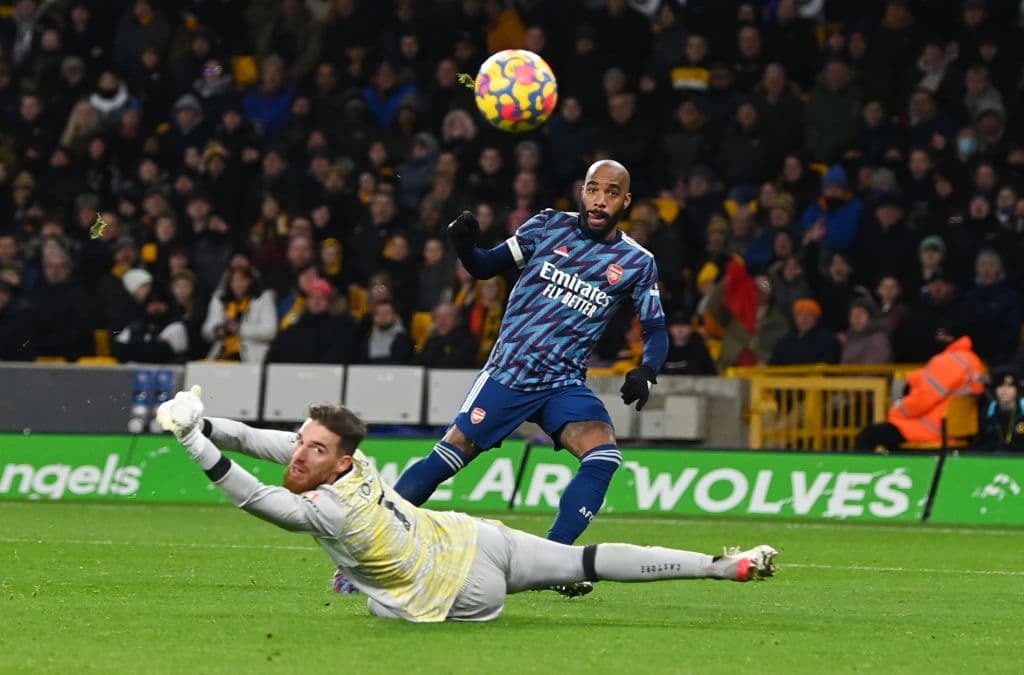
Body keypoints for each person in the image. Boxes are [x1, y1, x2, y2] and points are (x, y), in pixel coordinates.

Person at [154, 386, 777, 623]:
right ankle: (719, 566)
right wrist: (203, 420)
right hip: (472, 538)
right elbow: (258, 443)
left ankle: (721, 566)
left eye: (312, 451)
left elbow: (254, 494)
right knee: (583, 561)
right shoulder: (351, 461)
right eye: (303, 444)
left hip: (456, 590)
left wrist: (190, 441)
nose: (299, 455)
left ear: (339, 461)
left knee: (377, 605)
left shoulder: (330, 509)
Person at [393, 160, 668, 597]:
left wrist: (647, 370)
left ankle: (552, 560)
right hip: (511, 372)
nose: (600, 200)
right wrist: (465, 246)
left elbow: (655, 329)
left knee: (604, 456)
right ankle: (369, 545)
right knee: (450, 455)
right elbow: (485, 266)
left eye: (611, 193)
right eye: (593, 189)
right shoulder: (546, 227)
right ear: (582, 191)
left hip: (563, 381)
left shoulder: (636, 262)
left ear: (625, 200)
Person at [854, 334, 985, 452]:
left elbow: (923, 399)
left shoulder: (948, 361)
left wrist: (898, 411)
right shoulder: (973, 360)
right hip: (959, 430)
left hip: (933, 428)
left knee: (869, 435)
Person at [974, 370, 1024, 453]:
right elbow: (980, 443)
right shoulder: (987, 413)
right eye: (1000, 386)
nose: (1004, 391)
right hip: (993, 461)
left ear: (1017, 390)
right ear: (995, 390)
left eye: (1010, 387)